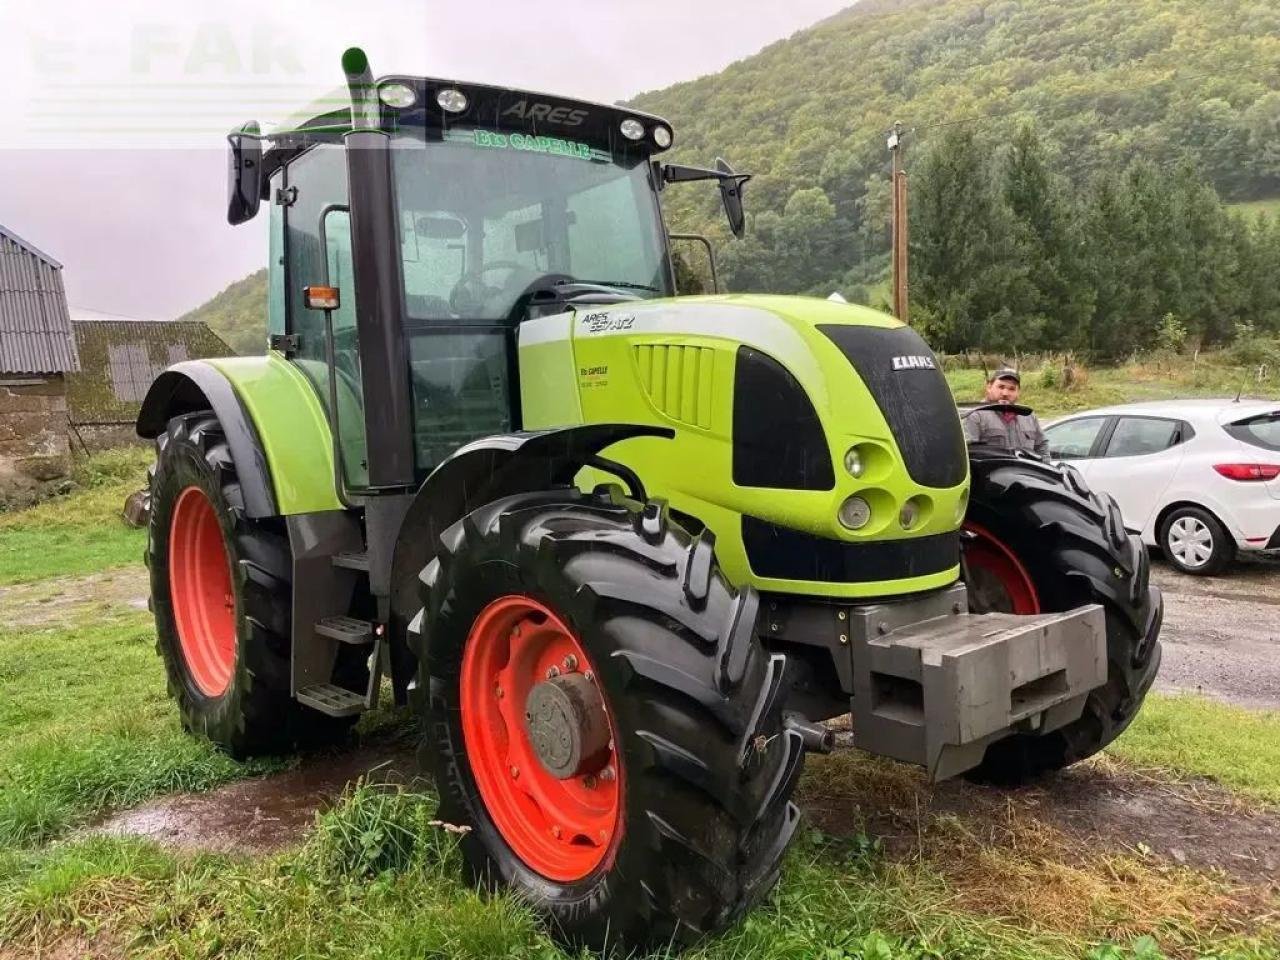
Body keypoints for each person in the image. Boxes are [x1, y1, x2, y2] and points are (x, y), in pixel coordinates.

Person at [962, 367, 1049, 456]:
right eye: (1001, 387)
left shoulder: (1028, 415)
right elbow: (967, 455)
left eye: (1012, 389)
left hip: (1025, 469)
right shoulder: (975, 415)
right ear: (989, 387)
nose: (1005, 393)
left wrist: (1045, 468)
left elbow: (1042, 446)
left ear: (1018, 392)